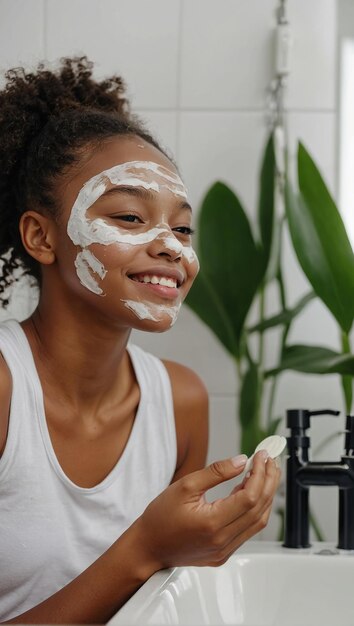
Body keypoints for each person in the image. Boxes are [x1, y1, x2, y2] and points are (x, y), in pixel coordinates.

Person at [0, 57, 280, 624]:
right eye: (130, 217)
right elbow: (149, 558)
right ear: (41, 236)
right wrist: (147, 547)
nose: (172, 247)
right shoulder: (4, 390)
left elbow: (165, 605)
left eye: (181, 227)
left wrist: (204, 544)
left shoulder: (181, 401)